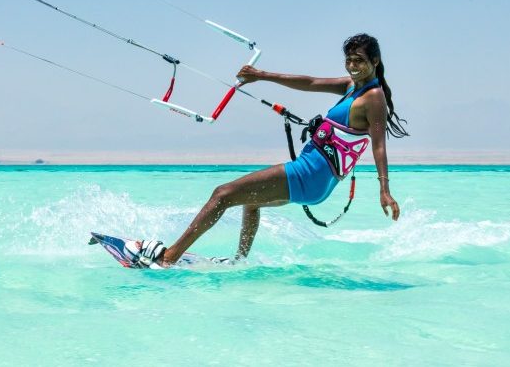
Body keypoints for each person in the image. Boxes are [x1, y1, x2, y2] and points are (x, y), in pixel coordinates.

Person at [140, 33, 409, 267]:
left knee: (222, 194)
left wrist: (384, 190)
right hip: (314, 177)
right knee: (250, 202)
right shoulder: (352, 87)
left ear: (375, 61)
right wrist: (261, 76)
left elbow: (379, 146)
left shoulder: (373, 97)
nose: (352, 66)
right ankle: (239, 262)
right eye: (348, 60)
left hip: (310, 174)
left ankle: (169, 257)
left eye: (359, 60)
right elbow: (310, 82)